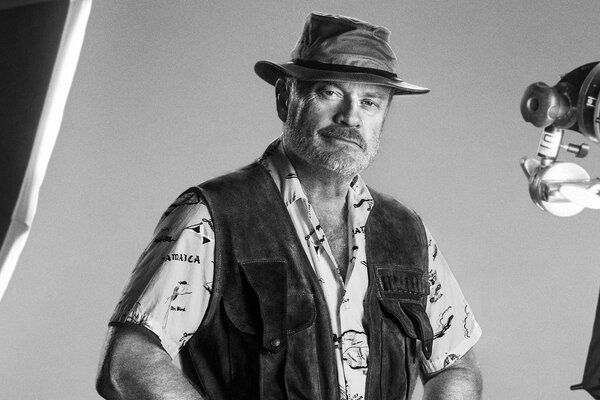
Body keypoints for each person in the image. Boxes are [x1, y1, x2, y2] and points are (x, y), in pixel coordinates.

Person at [96, 11, 483, 400]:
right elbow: (129, 363)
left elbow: (457, 366)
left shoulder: (407, 232)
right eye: (330, 93)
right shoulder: (214, 216)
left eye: (370, 102)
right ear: (285, 97)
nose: (350, 117)